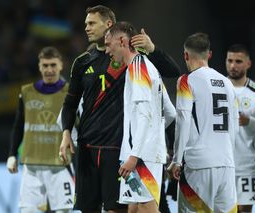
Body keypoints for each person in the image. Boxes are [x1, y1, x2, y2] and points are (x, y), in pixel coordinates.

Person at [59, 5, 180, 213]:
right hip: (89, 148)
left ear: (109, 26)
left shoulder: (135, 60)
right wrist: (66, 132)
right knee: (116, 209)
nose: (86, 27)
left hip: (121, 150)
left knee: (130, 208)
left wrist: (153, 49)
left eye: (91, 23)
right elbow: (70, 103)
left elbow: (172, 74)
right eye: (85, 23)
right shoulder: (82, 62)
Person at [105, 21, 175, 213]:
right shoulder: (145, 66)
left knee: (146, 208)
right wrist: (156, 135)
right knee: (134, 209)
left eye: (108, 44)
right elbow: (169, 112)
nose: (106, 50)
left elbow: (145, 115)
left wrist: (135, 155)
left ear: (121, 41)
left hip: (141, 156)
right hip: (143, 151)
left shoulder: (138, 69)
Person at [168, 32, 239, 213]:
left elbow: (183, 120)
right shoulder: (228, 83)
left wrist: (177, 160)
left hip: (198, 166)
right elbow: (235, 125)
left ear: (185, 55)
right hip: (226, 164)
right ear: (209, 55)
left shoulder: (186, 81)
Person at [6, 47, 74, 213]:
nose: (49, 69)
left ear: (60, 66)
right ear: (39, 67)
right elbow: (18, 125)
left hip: (60, 165)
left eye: (52, 65)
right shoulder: (26, 92)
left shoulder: (70, 93)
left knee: (64, 211)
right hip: (32, 166)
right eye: (45, 65)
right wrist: (11, 154)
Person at [225, 44, 255, 212]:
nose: (233, 65)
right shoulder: (216, 88)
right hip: (221, 164)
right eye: (229, 60)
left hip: (247, 166)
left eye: (238, 61)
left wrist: (250, 122)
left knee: (244, 210)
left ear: (248, 64)